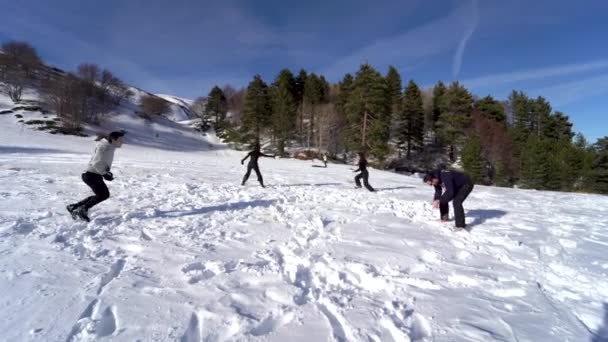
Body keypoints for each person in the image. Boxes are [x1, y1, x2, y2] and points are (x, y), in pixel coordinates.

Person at [67, 131, 125, 222]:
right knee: (103, 195)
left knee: (100, 195)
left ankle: (74, 207)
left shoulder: (109, 147)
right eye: (120, 140)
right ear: (113, 140)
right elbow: (96, 163)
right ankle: (82, 209)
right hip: (91, 175)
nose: (122, 142)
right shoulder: (104, 147)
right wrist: (105, 174)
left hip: (93, 175)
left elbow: (100, 163)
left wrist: (106, 173)